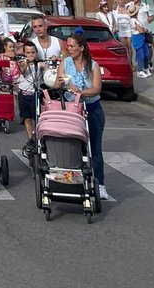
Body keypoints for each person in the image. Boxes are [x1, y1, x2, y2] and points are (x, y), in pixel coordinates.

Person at [55, 33, 108, 200]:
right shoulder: (65, 63)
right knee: (75, 147)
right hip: (72, 109)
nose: (68, 49)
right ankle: (75, 181)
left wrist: (80, 91)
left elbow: (96, 88)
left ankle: (100, 183)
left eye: (71, 46)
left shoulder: (92, 65)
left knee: (95, 148)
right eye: (67, 46)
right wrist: (60, 83)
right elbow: (57, 83)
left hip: (92, 108)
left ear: (81, 47)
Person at [15, 39, 41, 144]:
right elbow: (23, 69)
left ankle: (37, 136)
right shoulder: (22, 62)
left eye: (33, 52)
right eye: (28, 52)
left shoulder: (39, 63)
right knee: (27, 118)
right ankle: (30, 139)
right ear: (24, 53)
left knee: (37, 118)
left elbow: (46, 66)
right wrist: (27, 61)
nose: (31, 55)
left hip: (35, 93)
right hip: (24, 93)